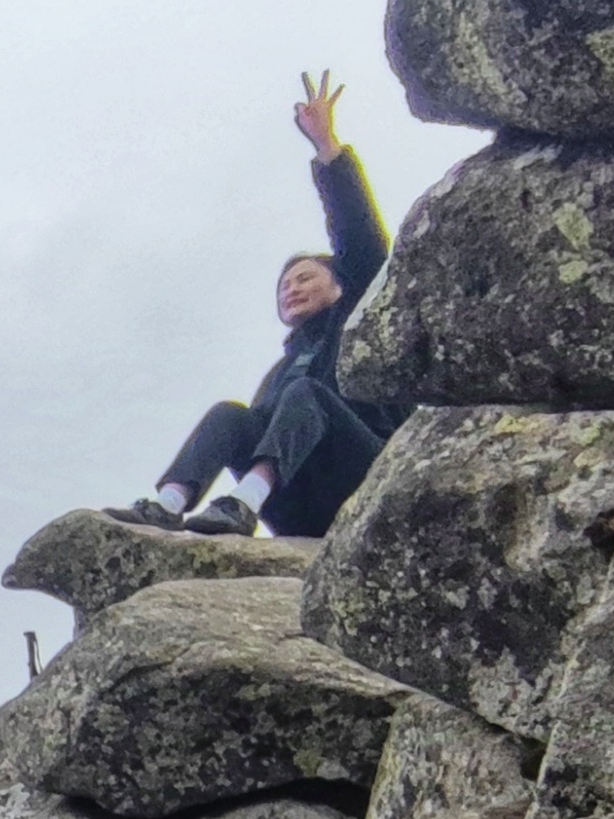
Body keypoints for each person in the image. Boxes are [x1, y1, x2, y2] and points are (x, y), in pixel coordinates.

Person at [111, 73, 409, 540]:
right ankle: (168, 505)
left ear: (341, 287)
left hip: (366, 483)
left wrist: (326, 145)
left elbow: (361, 238)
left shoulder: (358, 326)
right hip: (303, 507)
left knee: (307, 395)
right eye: (283, 285)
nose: (290, 289)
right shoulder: (283, 370)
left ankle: (244, 503)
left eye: (305, 277)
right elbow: (261, 430)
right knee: (231, 414)